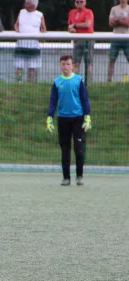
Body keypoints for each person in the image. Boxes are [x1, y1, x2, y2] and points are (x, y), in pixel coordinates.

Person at [46, 55, 91, 186]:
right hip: (63, 119)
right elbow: (53, 101)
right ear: (60, 66)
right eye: (63, 64)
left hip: (78, 118)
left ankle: (79, 176)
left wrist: (87, 116)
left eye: (68, 64)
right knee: (65, 149)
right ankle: (66, 178)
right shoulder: (57, 82)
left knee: (79, 148)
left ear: (72, 66)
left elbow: (84, 99)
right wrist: (49, 117)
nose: (65, 67)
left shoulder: (78, 80)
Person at [14, 0, 46, 83]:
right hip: (21, 44)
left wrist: (41, 37)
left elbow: (43, 28)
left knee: (32, 67)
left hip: (33, 45)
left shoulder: (39, 15)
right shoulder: (21, 12)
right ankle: (19, 81)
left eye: (27, 2)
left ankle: (29, 82)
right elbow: (16, 24)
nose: (25, 4)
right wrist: (17, 30)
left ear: (33, 5)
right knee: (19, 65)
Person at [68, 0, 94, 82]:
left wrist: (75, 25)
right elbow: (70, 25)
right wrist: (71, 29)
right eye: (77, 1)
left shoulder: (88, 12)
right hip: (77, 40)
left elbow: (87, 24)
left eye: (81, 1)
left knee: (88, 63)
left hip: (87, 40)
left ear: (85, 3)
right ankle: (75, 82)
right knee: (75, 63)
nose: (79, 3)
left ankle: (89, 83)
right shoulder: (72, 12)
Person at [107, 0, 129, 82]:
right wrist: (122, 20)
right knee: (112, 60)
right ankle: (109, 80)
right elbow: (111, 23)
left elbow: (128, 23)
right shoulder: (114, 9)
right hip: (115, 37)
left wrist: (118, 20)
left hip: (127, 38)